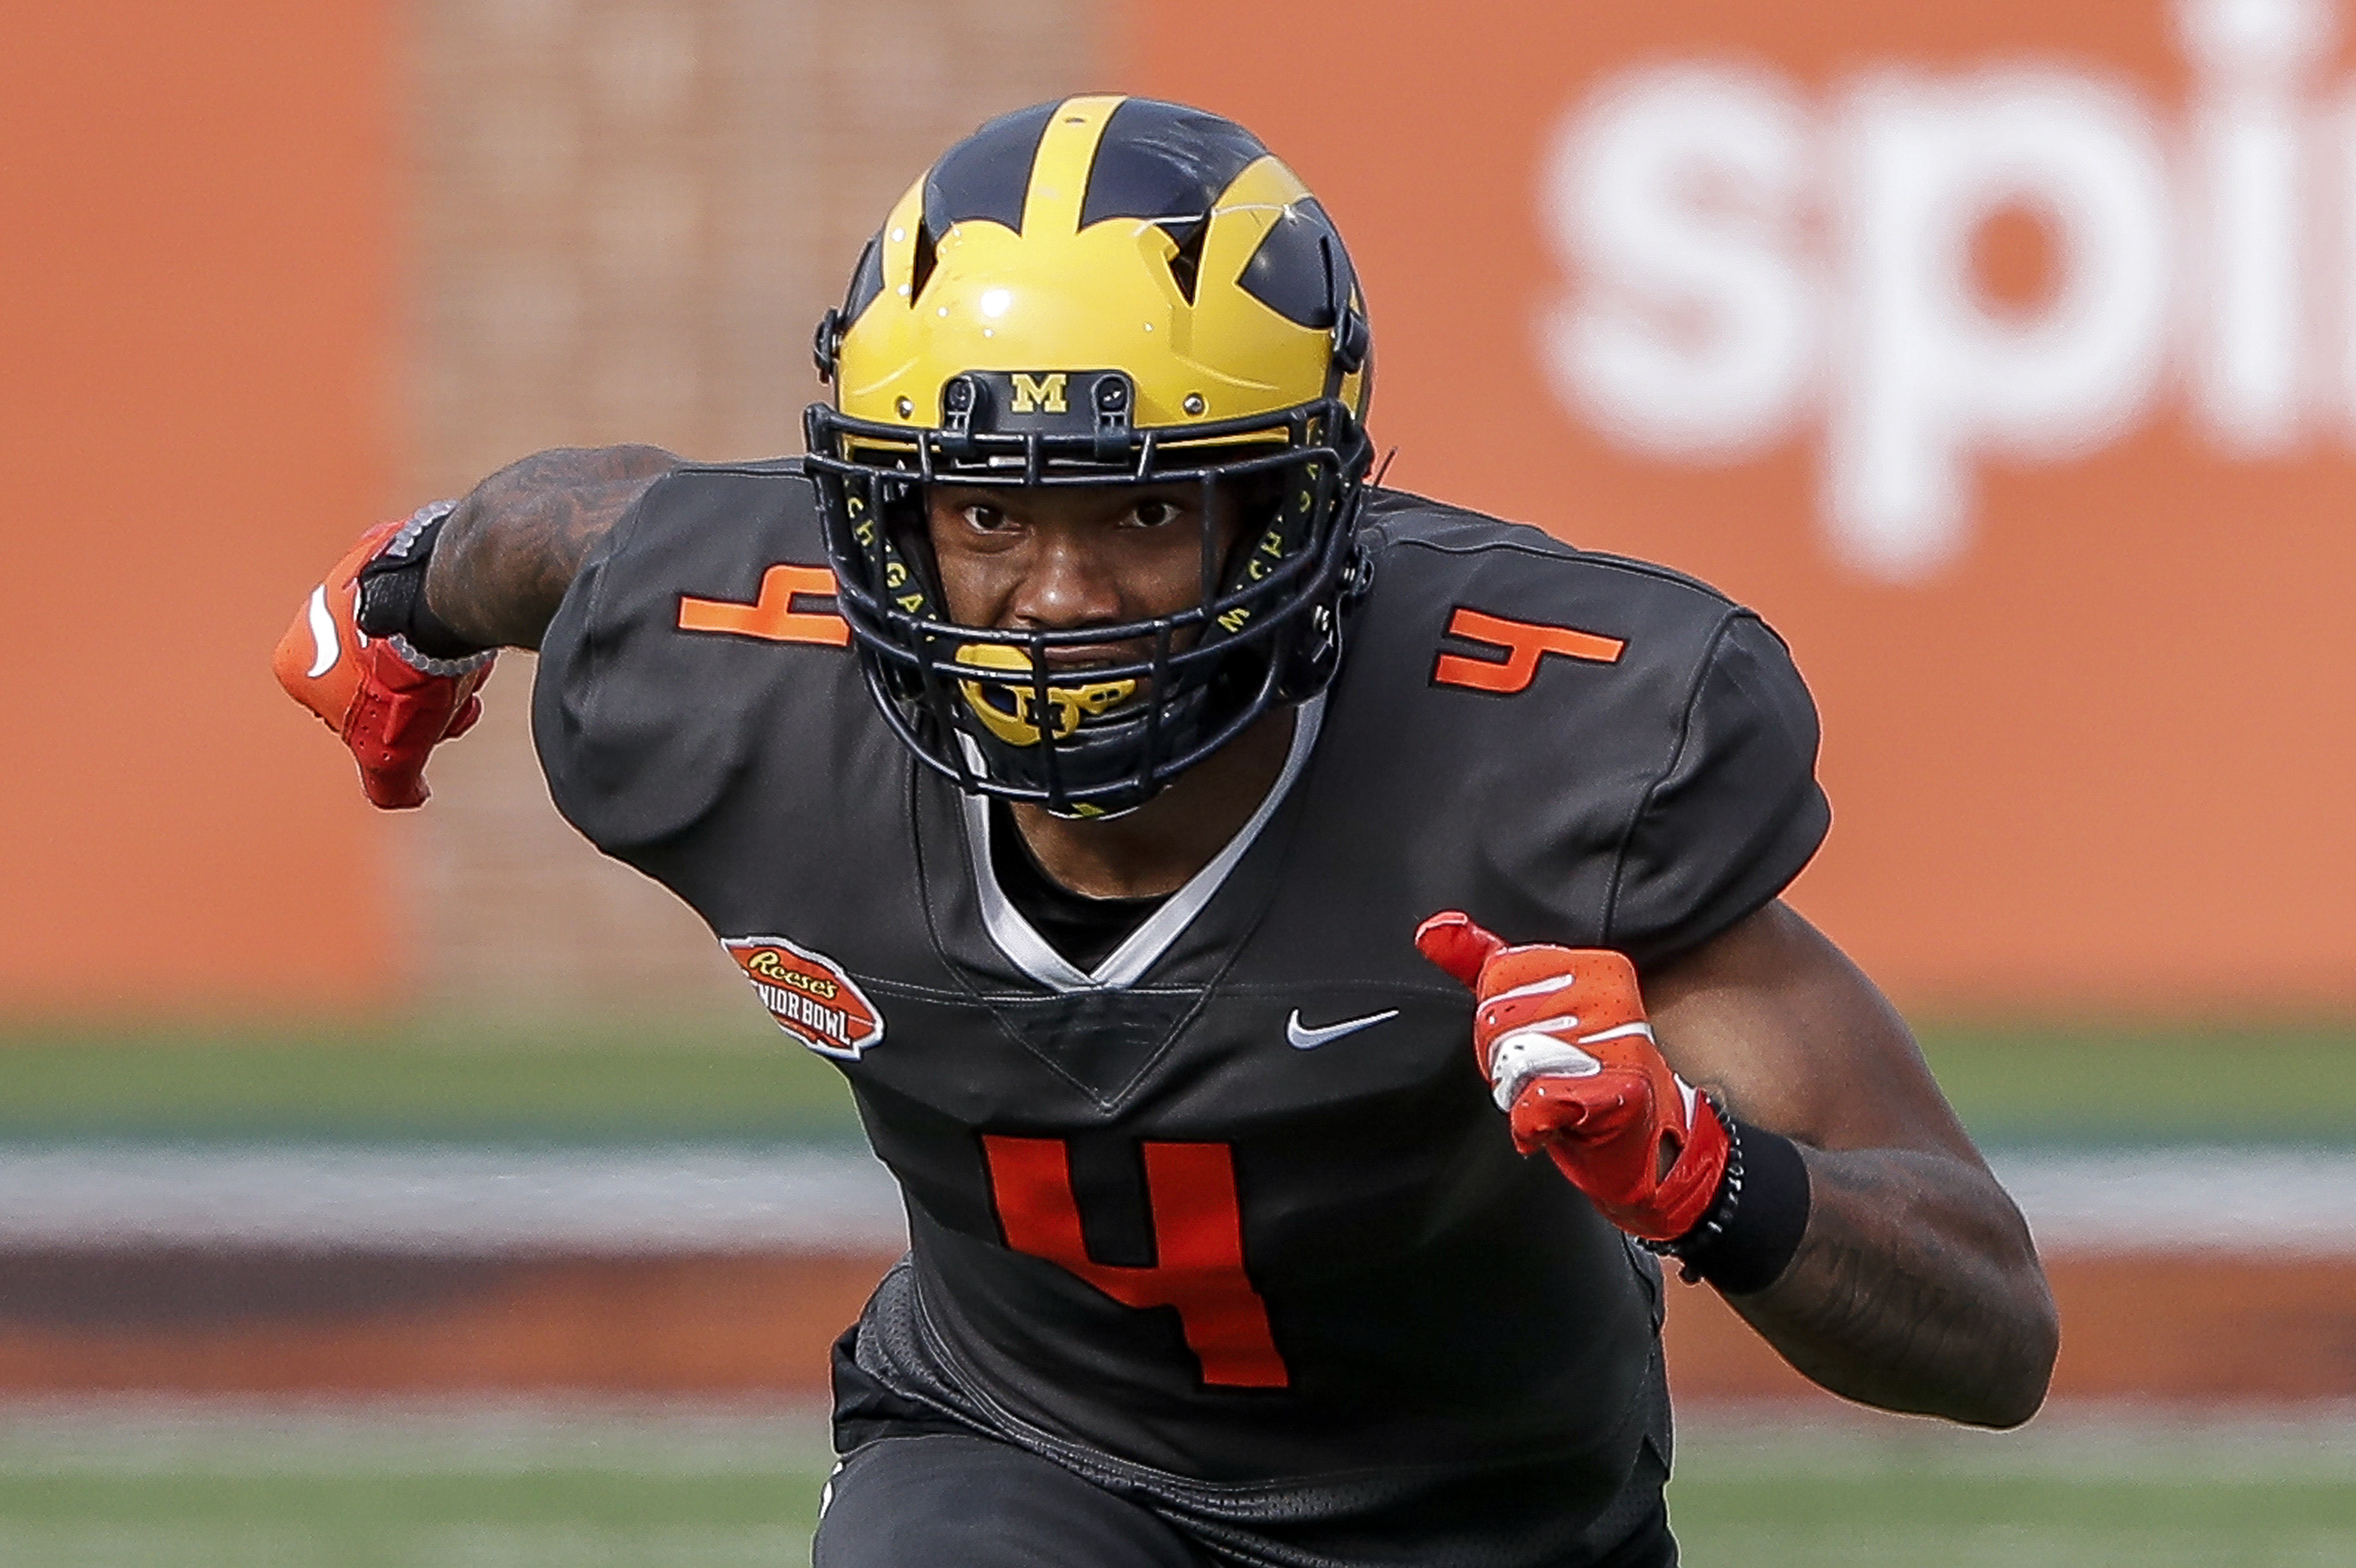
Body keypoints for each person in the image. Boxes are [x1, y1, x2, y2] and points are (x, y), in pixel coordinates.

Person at [276, 95, 2057, 1567]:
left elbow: (1988, 1322)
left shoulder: (1548, 751)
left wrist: (1695, 1168)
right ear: (880, 521)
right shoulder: (737, 672)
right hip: (1016, 1451)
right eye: (979, 507)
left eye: (1139, 509)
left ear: (1290, 511)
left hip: (1491, 1520)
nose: (1052, 594)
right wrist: (405, 597)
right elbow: (560, 528)